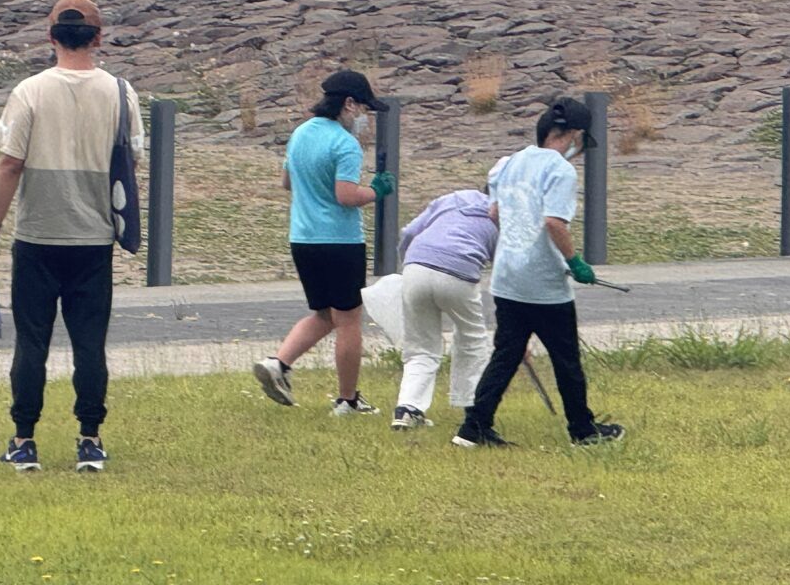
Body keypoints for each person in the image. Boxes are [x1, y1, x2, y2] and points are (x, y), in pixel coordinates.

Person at [0, 0, 142, 473]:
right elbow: (131, 164)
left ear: (50, 37)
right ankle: (90, 438)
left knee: (32, 343)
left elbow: (10, 163)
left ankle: (24, 441)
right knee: (90, 343)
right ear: (99, 37)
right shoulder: (122, 93)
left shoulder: (29, 91)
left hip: (38, 236)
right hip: (93, 238)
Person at [453, 98, 623, 448]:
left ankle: (474, 426)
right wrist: (575, 262)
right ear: (574, 134)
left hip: (507, 278)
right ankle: (583, 430)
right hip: (544, 283)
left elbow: (495, 213)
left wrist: (517, 238)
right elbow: (553, 222)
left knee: (507, 354)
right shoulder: (560, 170)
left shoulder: (508, 163)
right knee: (566, 360)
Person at [252, 69, 395, 415]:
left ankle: (280, 364)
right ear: (347, 104)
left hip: (303, 238)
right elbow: (346, 195)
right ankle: (347, 399)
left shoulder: (300, 133)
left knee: (325, 314)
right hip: (340, 241)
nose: (362, 117)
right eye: (361, 108)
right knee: (349, 320)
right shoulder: (344, 143)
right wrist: (376, 191)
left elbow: (286, 182)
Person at [389, 185, 498, 430]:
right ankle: (471, 407)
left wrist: (409, 262)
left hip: (415, 266)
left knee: (421, 346)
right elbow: (504, 266)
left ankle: (407, 408)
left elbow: (409, 231)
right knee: (472, 339)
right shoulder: (503, 214)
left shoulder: (453, 199)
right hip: (459, 273)